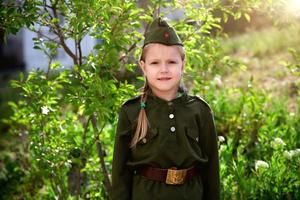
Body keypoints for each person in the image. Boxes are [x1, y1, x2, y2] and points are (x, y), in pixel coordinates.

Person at [111, 17, 220, 200]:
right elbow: (120, 175)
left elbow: (211, 171)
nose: (164, 69)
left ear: (183, 65)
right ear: (143, 67)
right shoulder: (131, 112)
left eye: (171, 62)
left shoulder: (200, 110)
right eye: (155, 63)